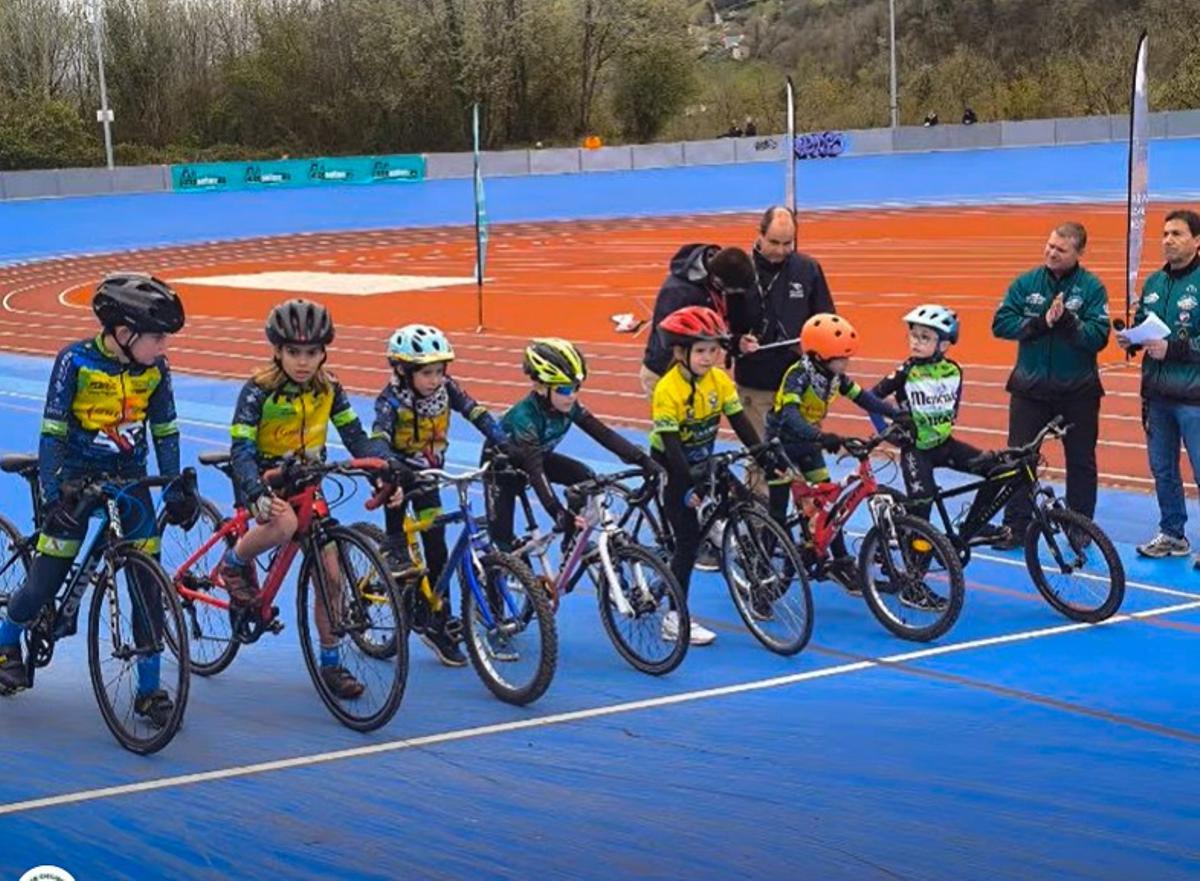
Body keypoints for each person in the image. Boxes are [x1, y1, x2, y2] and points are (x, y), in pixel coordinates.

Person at [0, 274, 195, 722]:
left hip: (129, 481)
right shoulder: (74, 361)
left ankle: (149, 689)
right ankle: (8, 637)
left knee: (147, 586)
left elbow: (165, 430)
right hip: (75, 478)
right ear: (124, 333)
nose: (163, 346)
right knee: (46, 580)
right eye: (157, 337)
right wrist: (53, 496)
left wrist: (173, 487)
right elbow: (51, 433)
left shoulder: (155, 370)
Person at [219, 299, 408, 700]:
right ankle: (232, 565)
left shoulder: (330, 387)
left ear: (323, 353)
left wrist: (386, 465)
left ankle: (331, 664)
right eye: (293, 353)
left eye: (311, 353)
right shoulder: (258, 391)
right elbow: (241, 451)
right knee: (284, 524)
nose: (303, 362)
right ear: (278, 352)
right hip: (261, 478)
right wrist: (254, 490)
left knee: (333, 577)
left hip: (308, 482)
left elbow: (356, 437)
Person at [373, 324, 510, 666]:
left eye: (439, 371)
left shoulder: (447, 390)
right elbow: (378, 437)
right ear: (403, 371)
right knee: (400, 530)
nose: (435, 379)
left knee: (437, 547)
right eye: (426, 373)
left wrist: (502, 440)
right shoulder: (390, 400)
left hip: (430, 473)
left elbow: (475, 411)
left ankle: (437, 616)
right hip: (398, 473)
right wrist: (388, 468)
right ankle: (393, 547)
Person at [650, 306, 784, 643]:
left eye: (714, 350)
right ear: (681, 352)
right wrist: (688, 484)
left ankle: (729, 540)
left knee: (744, 498)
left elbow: (741, 423)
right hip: (673, 464)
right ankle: (673, 618)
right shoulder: (667, 390)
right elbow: (672, 447)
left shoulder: (718, 381)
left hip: (703, 460)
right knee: (687, 542)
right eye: (701, 351)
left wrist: (764, 456)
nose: (709, 357)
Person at [487, 337, 660, 564]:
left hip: (536, 458)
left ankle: (571, 543)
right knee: (502, 550)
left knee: (585, 478)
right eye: (564, 389)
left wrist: (642, 459)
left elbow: (603, 434)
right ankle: (494, 595)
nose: (572, 396)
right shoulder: (524, 418)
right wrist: (557, 512)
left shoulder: (567, 405)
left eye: (576, 387)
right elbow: (536, 470)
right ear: (540, 386)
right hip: (500, 471)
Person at [990, 222, 1110, 550]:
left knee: (1081, 460)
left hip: (1078, 391)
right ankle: (1016, 525)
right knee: (1019, 460)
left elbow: (1098, 338)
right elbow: (1000, 323)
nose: (1051, 253)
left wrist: (1069, 323)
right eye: (1049, 245)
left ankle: (1079, 526)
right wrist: (1041, 323)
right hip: (1029, 389)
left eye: (1060, 249)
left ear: (1079, 253)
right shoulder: (1027, 282)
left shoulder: (1092, 288)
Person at [765, 313, 900, 594]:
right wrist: (820, 436)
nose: (845, 364)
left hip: (810, 444)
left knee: (829, 502)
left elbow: (863, 397)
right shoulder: (797, 375)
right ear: (818, 356)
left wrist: (898, 414)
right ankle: (764, 573)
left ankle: (840, 562)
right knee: (777, 511)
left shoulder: (834, 376)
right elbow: (789, 416)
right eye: (841, 358)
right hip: (781, 446)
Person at [870, 305, 1007, 541]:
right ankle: (911, 564)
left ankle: (973, 524)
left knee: (999, 471)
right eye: (913, 335)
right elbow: (871, 399)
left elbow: (953, 403)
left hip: (945, 445)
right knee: (922, 509)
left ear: (944, 345)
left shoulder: (954, 370)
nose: (916, 342)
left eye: (925, 337)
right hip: (917, 451)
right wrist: (887, 433)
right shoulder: (906, 371)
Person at [728, 205, 836, 494]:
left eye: (788, 243)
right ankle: (762, 531)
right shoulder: (739, 271)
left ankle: (805, 531)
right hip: (756, 383)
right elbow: (722, 324)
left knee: (804, 459)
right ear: (759, 235)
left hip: (799, 385)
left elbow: (826, 318)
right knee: (762, 461)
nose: (780, 250)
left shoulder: (808, 268)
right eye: (774, 242)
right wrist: (737, 341)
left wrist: (816, 345)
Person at [1117, 210, 1200, 561]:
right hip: (1156, 395)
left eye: (1177, 234)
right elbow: (1145, 325)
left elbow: (1175, 343)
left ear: (1197, 241)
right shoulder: (1153, 284)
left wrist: (1175, 349)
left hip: (1194, 398)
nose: (1168, 240)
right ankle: (1172, 533)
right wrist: (1130, 339)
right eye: (1165, 233)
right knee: (1162, 469)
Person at [640, 244, 756, 397]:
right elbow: (667, 341)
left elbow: (717, 325)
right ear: (718, 282)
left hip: (696, 371)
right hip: (665, 372)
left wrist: (735, 341)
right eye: (731, 291)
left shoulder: (721, 275)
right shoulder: (678, 292)